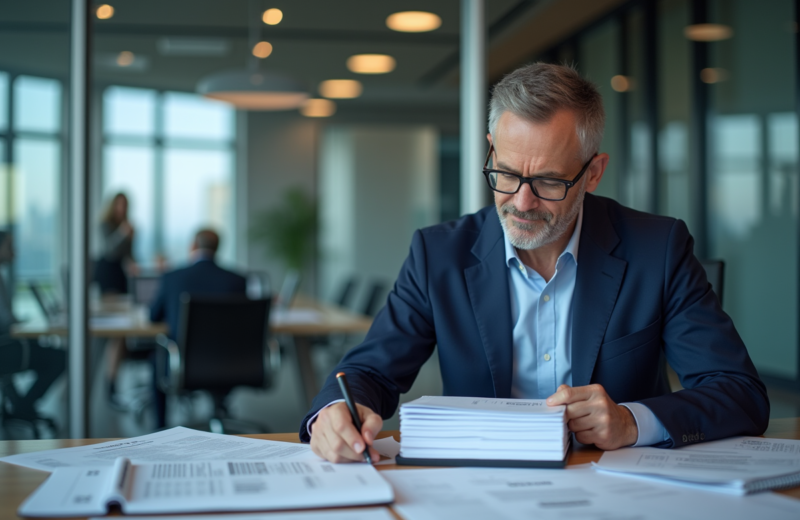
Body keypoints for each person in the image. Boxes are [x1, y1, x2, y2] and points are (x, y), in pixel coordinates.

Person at [301, 63, 769, 463]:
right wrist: (335, 414)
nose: (521, 202)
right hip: (478, 486)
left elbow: (738, 392)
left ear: (593, 172)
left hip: (615, 487)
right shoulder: (437, 254)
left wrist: (631, 422)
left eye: (547, 181)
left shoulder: (657, 247)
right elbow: (370, 373)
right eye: (505, 174)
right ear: (490, 149)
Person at [149, 229, 247, 428]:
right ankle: (219, 408)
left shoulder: (172, 277)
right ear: (217, 248)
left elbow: (153, 317)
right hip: (233, 363)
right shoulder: (237, 280)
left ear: (193, 246)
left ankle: (159, 425)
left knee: (157, 356)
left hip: (182, 363)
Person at [0, 231, 65, 427]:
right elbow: (6, 321)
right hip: (5, 348)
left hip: (5, 344)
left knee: (42, 348)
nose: (15, 251)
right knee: (60, 357)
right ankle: (24, 407)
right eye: (9, 246)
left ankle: (21, 405)